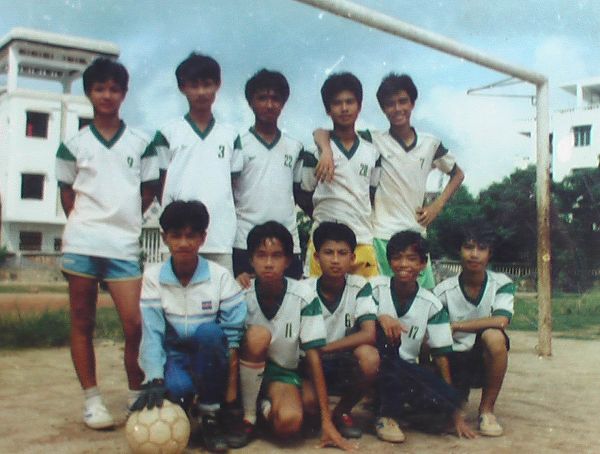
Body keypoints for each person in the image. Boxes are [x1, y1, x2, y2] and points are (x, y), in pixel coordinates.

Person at [55, 57, 159, 430]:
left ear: (124, 93)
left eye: (114, 89)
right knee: (83, 321)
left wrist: (121, 221)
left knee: (135, 324)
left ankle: (135, 392)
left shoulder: (141, 142)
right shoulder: (73, 144)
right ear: (89, 93)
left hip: (123, 245)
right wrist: (89, 224)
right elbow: (67, 195)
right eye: (99, 88)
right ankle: (92, 401)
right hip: (82, 242)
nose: (107, 95)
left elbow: (148, 192)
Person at [314, 73, 464, 288]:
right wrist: (326, 150)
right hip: (381, 236)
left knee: (424, 295)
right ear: (383, 109)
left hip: (415, 232)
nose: (397, 108)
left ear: (412, 103)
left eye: (403, 101)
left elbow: (458, 174)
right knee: (382, 297)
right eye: (390, 104)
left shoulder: (430, 144)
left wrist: (436, 206)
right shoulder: (373, 140)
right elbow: (323, 132)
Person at [132, 200, 248, 452]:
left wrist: (230, 394)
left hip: (208, 354)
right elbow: (152, 333)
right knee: (177, 389)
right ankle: (186, 406)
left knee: (210, 333)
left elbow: (232, 336)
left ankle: (210, 414)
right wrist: (154, 377)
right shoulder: (153, 277)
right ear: (164, 238)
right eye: (176, 236)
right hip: (175, 353)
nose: (183, 243)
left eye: (191, 235)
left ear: (202, 238)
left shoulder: (219, 276)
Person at [238, 221, 354, 450]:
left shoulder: (303, 295)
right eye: (261, 255)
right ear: (251, 260)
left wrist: (326, 421)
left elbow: (313, 354)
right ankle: (248, 417)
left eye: (276, 256)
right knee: (258, 336)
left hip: (281, 373)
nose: (268, 263)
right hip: (245, 371)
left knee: (292, 421)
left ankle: (263, 407)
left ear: (288, 260)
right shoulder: (240, 292)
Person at [370, 231, 476, 442]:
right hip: (374, 364)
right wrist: (381, 317)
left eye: (412, 259)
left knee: (440, 409)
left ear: (423, 264)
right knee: (386, 349)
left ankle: (395, 410)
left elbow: (441, 355)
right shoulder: (374, 287)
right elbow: (360, 319)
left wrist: (454, 414)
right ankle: (386, 416)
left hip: (405, 370)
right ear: (389, 261)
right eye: (397, 258)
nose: (404, 264)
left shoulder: (431, 303)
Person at [153, 52, 242, 273]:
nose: (201, 92)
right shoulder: (168, 133)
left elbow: (234, 185)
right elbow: (159, 183)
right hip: (179, 237)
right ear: (182, 87)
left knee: (219, 292)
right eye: (194, 85)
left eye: (207, 84)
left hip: (219, 237)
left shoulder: (230, 135)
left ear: (218, 85)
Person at [434, 227, 514, 437]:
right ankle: (454, 403)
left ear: (490, 253)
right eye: (468, 247)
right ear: (459, 250)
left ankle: (487, 411)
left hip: (483, 356)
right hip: (455, 358)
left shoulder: (501, 283)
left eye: (482, 248)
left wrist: (456, 326)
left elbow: (501, 320)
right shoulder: (443, 290)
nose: (474, 254)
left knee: (494, 336)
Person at [299, 72, 380, 278]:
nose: (344, 108)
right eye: (337, 103)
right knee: (316, 296)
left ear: (359, 106)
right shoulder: (313, 152)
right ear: (328, 109)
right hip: (323, 244)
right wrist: (326, 217)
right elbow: (303, 194)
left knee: (367, 297)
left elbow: (371, 194)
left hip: (362, 241)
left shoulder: (372, 152)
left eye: (350, 102)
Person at [303, 222, 379, 439]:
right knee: (308, 406)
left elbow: (369, 333)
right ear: (316, 257)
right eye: (328, 253)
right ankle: (319, 413)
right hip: (309, 363)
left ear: (352, 258)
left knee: (370, 357)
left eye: (342, 253)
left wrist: (326, 348)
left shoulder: (359, 286)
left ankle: (342, 411)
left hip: (339, 359)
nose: (335, 260)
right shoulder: (304, 289)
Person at [232, 69, 304, 286]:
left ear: (283, 103)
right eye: (262, 98)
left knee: (290, 302)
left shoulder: (294, 146)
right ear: (250, 102)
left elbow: (299, 193)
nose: (269, 105)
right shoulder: (238, 144)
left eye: (275, 98)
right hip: (245, 242)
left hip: (288, 242)